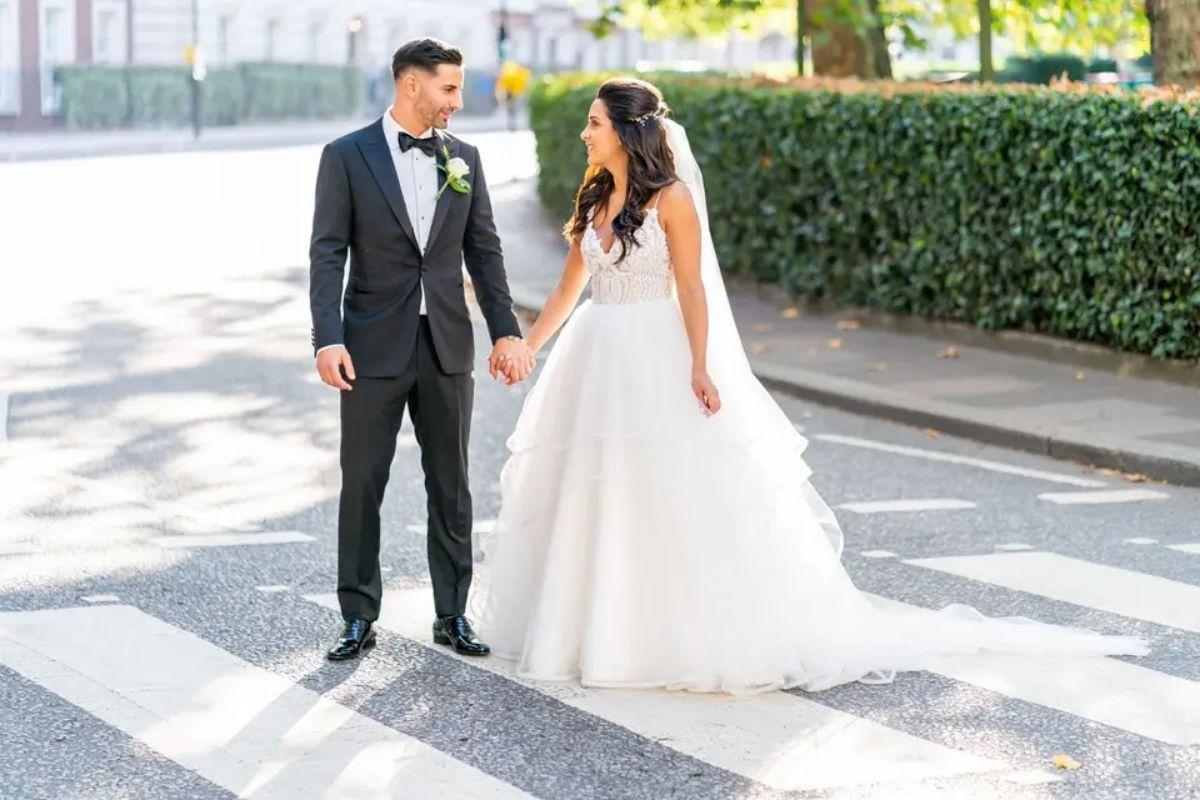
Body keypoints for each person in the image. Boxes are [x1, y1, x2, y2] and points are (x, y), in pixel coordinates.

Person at [470, 76, 1148, 694]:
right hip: (595, 354)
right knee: (595, 491)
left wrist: (700, 364)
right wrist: (528, 347)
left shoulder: (672, 199)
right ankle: (589, 628)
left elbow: (693, 287)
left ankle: (664, 635)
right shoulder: (594, 195)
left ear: (628, 130)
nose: (585, 133)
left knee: (665, 492)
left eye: (594, 122)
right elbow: (569, 285)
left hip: (654, 350)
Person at [308, 38, 535, 662]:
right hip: (369, 348)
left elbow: (483, 252)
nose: (458, 102)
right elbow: (327, 253)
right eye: (449, 89)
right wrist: (327, 338)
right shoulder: (347, 156)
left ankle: (452, 614)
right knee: (362, 484)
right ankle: (357, 616)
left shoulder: (464, 158)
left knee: (452, 485)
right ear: (413, 86)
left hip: (445, 348)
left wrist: (506, 329)